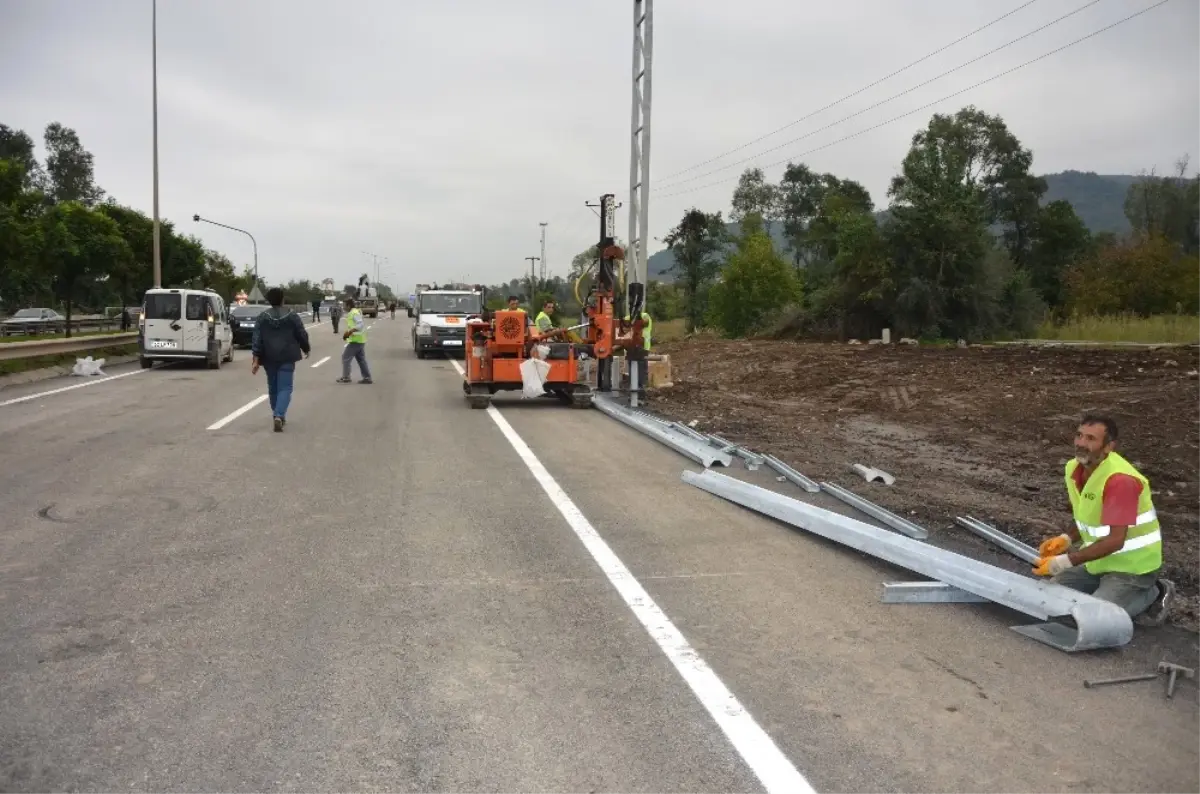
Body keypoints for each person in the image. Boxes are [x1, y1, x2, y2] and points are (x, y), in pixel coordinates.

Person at [1034, 413, 1174, 625]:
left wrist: (1065, 561)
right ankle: (1103, 590)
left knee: (1095, 619)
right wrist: (1067, 538)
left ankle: (1155, 592)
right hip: (1098, 562)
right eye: (1079, 435)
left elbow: (1115, 540)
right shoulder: (1073, 468)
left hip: (1132, 568)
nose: (1081, 443)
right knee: (1049, 597)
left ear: (1108, 446)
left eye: (1091, 439)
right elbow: (1088, 516)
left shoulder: (1121, 481)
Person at [251, 287, 311, 432]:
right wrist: (306, 347)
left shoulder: (262, 317)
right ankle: (279, 414)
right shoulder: (292, 315)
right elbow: (301, 333)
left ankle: (276, 414)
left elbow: (257, 338)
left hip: (269, 357)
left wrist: (256, 358)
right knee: (285, 387)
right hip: (287, 356)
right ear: (283, 299)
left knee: (273, 388)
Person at [338, 297, 372, 384]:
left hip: (356, 341)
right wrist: (349, 333)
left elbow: (360, 325)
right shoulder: (353, 312)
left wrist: (350, 332)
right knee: (361, 360)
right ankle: (367, 377)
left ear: (349, 305)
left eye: (344, 305)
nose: (343, 307)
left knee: (345, 357)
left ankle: (346, 377)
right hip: (359, 340)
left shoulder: (354, 313)